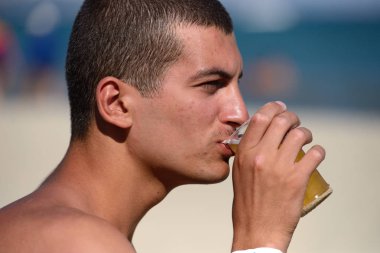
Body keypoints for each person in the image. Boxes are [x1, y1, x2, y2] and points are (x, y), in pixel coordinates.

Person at [0, 1, 325, 252]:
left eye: (238, 85)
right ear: (116, 103)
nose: (239, 113)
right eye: (212, 84)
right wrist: (259, 237)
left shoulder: (39, 226)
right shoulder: (80, 242)